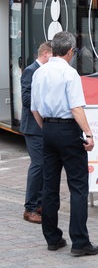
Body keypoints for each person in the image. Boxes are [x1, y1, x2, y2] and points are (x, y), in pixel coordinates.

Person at [30, 31, 98, 256]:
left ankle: (52, 237)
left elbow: (34, 108)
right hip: (68, 130)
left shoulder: (39, 73)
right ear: (70, 51)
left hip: (48, 129)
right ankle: (79, 242)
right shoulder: (70, 74)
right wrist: (88, 134)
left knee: (50, 185)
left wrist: (47, 128)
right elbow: (76, 108)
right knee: (78, 186)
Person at [20, 41, 52, 224]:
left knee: (45, 166)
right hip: (33, 128)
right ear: (46, 54)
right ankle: (29, 208)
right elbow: (26, 99)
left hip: (44, 126)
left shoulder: (44, 71)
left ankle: (39, 204)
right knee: (38, 165)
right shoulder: (31, 71)